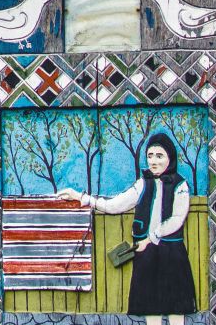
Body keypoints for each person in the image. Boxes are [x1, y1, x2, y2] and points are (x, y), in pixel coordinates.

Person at [58, 131, 196, 324]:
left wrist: (151, 238)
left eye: (159, 156)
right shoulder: (143, 184)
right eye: (150, 156)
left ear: (170, 158)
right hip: (146, 255)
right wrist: (82, 198)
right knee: (151, 310)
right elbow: (115, 205)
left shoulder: (180, 185)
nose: (153, 161)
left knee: (175, 309)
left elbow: (177, 219)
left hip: (171, 254)